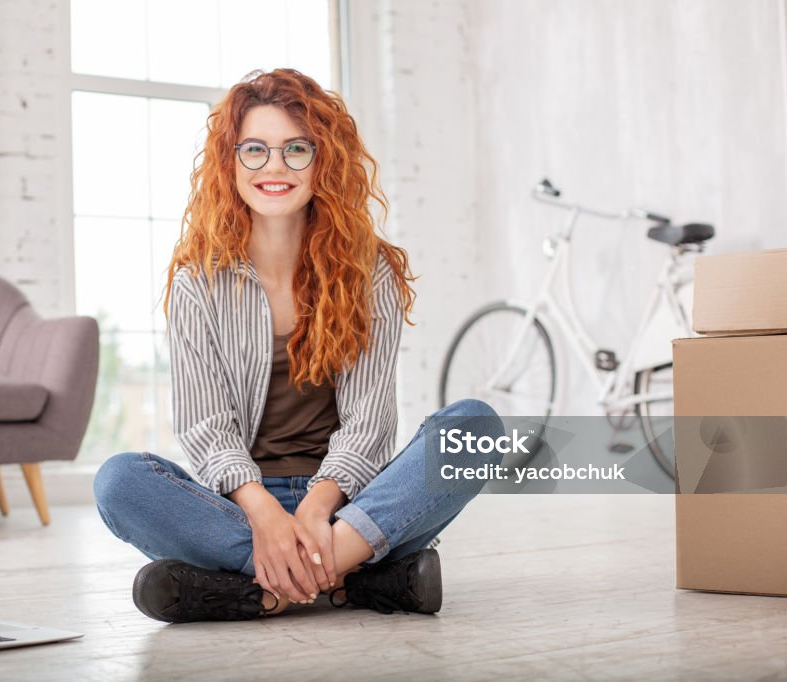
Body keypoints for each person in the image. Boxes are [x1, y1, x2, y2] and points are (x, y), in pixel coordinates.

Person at [93, 68, 501, 623]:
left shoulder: (367, 270)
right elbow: (204, 426)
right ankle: (352, 580)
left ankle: (263, 590)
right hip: (241, 510)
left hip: (350, 505)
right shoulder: (198, 282)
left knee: (474, 428)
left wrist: (317, 506)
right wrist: (264, 515)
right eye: (255, 150)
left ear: (323, 161)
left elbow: (369, 419)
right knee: (119, 482)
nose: (275, 167)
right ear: (231, 162)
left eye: (296, 150)